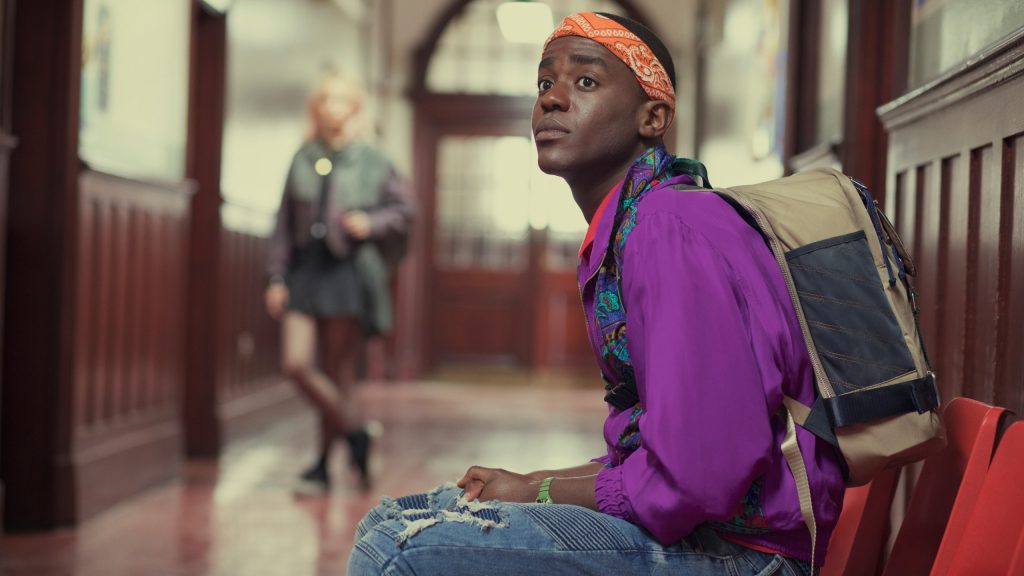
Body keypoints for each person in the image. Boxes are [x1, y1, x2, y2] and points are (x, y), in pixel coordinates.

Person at [348, 12, 842, 575]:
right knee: (396, 517)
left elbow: (698, 473)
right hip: (700, 534)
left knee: (397, 551)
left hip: (743, 556)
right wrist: (531, 483)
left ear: (652, 116)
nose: (553, 99)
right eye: (544, 83)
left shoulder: (668, 226)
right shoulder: (632, 225)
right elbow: (652, 455)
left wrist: (538, 493)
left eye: (585, 81)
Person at [265, 70, 413, 494]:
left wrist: (370, 221)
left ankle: (321, 466)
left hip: (348, 271)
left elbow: (404, 212)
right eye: (325, 99)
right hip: (304, 270)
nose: (332, 107)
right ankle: (357, 433)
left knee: (338, 372)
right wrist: (275, 276)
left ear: (354, 107)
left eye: (340, 99)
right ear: (316, 108)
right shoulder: (302, 156)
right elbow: (282, 222)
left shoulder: (373, 159)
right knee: (297, 364)